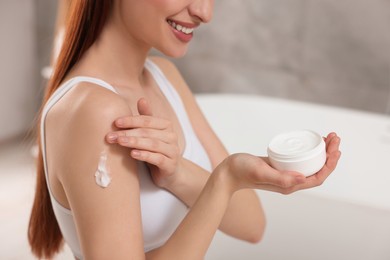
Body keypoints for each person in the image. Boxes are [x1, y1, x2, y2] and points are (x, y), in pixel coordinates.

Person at [28, 1, 341, 259]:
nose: (205, 12)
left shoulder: (165, 77)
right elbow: (230, 192)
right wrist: (225, 179)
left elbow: (252, 226)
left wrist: (178, 173)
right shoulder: (96, 110)